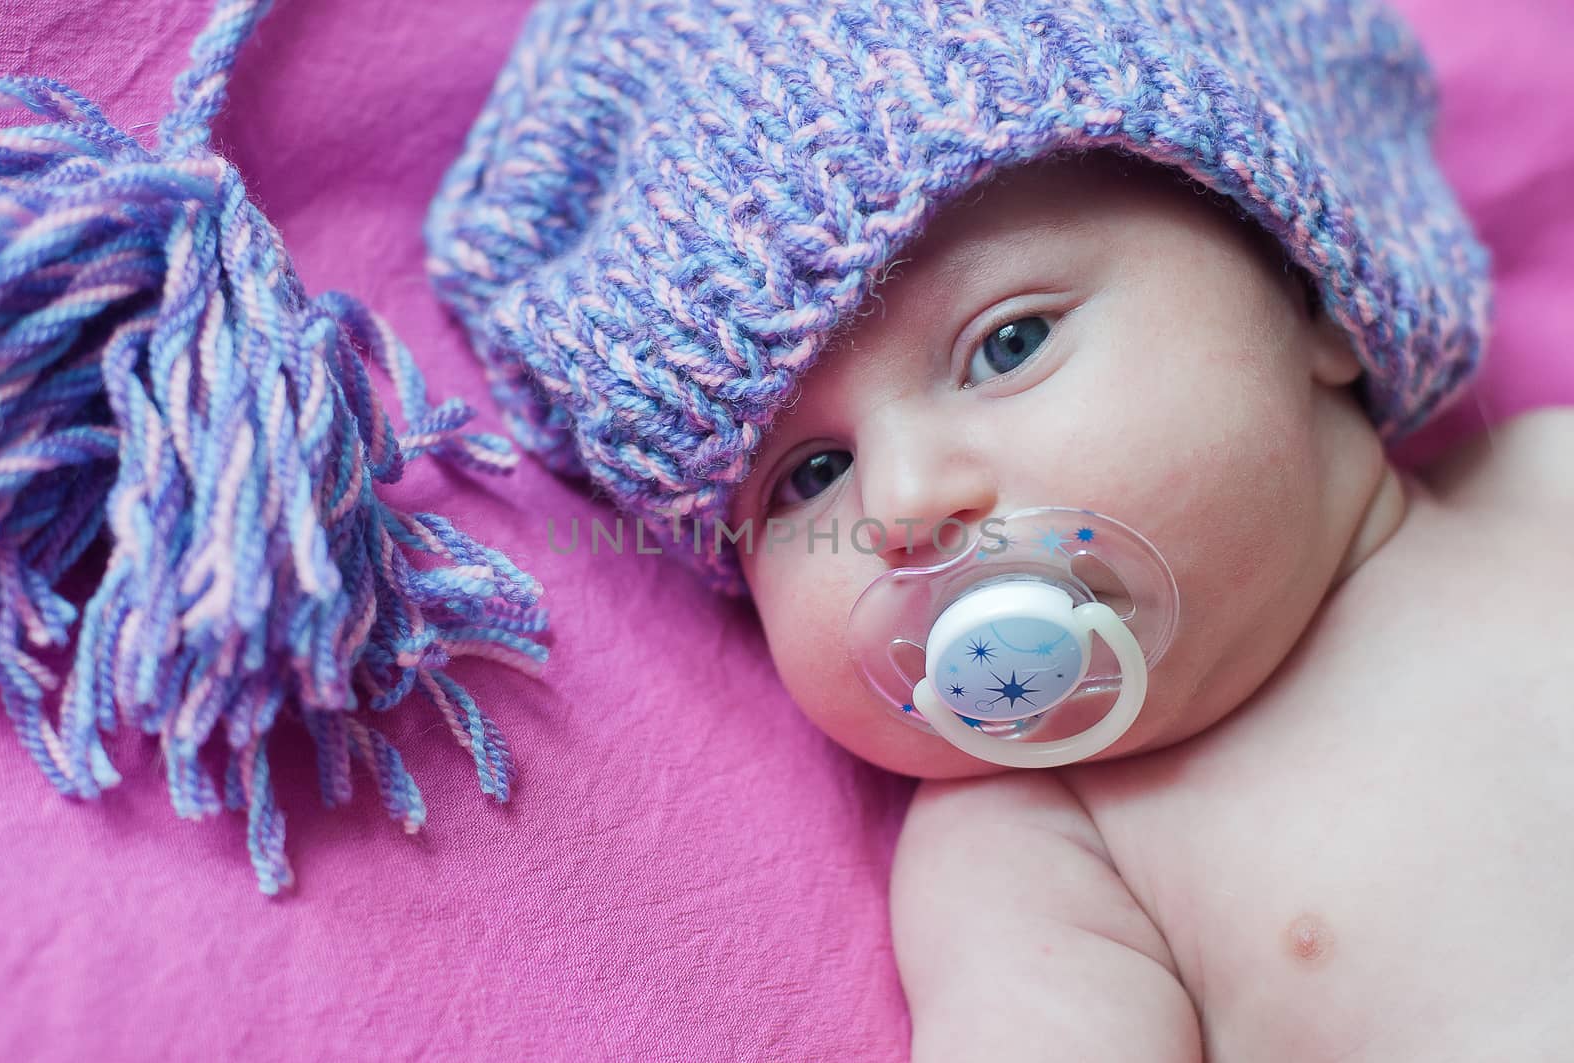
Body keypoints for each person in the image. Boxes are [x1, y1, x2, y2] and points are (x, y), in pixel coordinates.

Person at [426, 0, 1574, 1055]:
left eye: (1008, 344)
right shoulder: (1035, 853)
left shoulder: (1542, 482)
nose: (907, 500)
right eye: (810, 475)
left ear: (1310, 288)